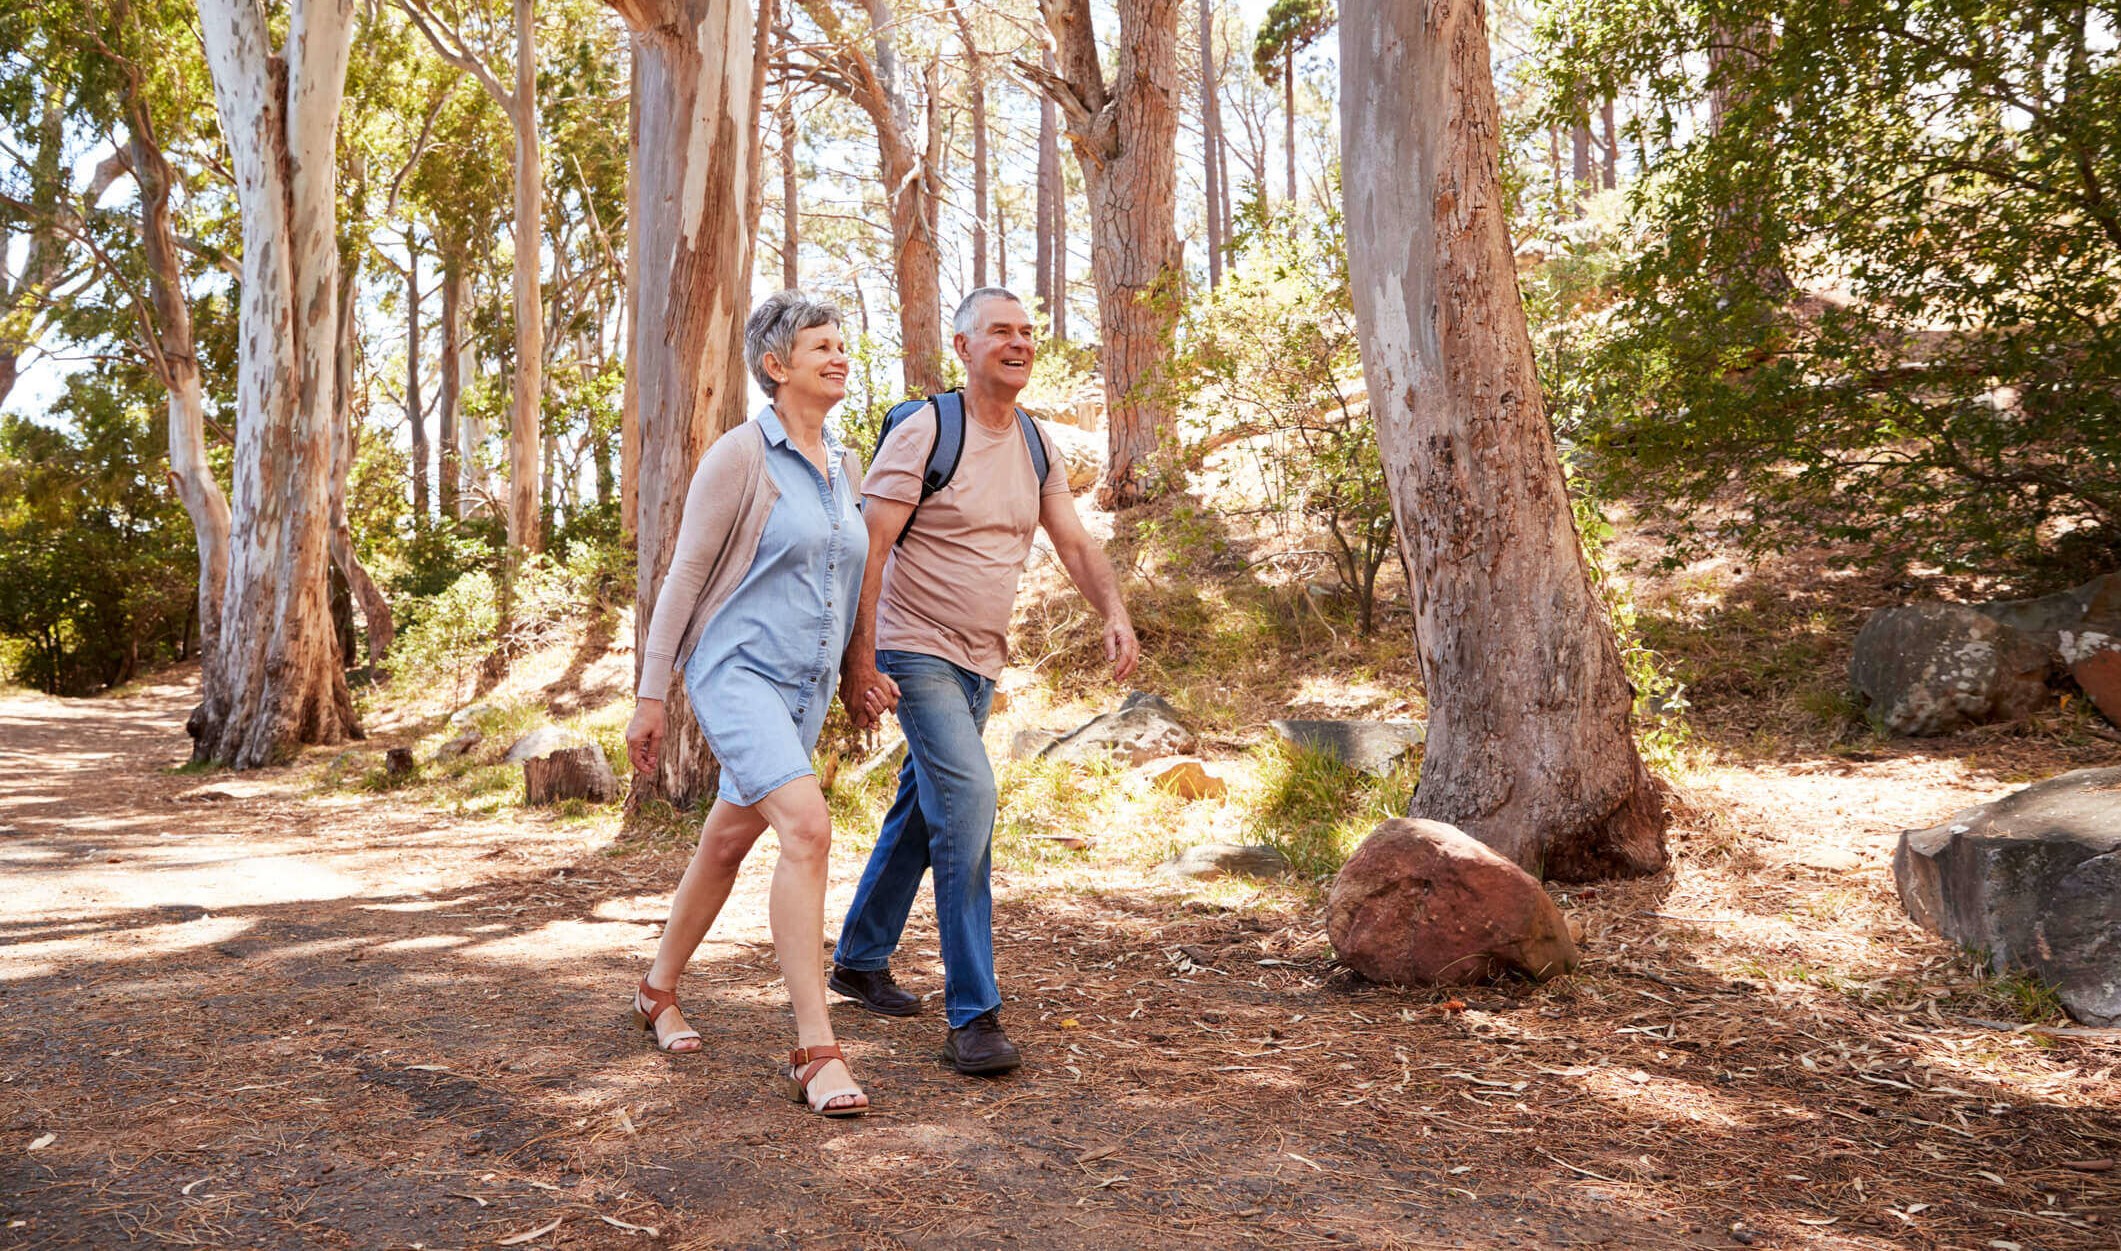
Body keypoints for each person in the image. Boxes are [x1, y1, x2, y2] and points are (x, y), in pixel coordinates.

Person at [831, 286, 1139, 1076]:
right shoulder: (928, 429)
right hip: (913, 648)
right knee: (968, 799)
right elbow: (869, 549)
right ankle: (974, 1014)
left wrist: (1112, 609)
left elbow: (1071, 540)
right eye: (999, 330)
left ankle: (860, 957)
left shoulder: (1035, 442)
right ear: (962, 347)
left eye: (1028, 332)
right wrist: (857, 659)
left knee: (919, 805)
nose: (1019, 342)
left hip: (980, 660)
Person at [622, 290, 897, 1118]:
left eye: (843, 344)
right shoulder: (740, 456)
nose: (839, 356)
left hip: (802, 689)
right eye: (821, 345)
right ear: (776, 366)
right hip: (735, 672)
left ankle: (655, 988)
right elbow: (684, 577)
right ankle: (815, 1048)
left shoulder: (844, 466)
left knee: (725, 843)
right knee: (807, 827)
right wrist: (650, 693)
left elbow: (851, 582)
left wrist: (857, 670)